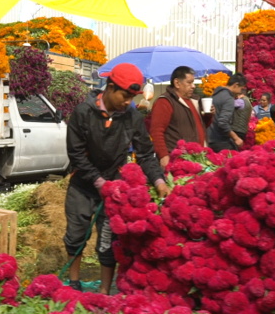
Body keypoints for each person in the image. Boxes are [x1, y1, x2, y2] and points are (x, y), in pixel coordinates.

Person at [66, 63, 170, 294]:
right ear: (110, 88)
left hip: (114, 187)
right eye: (125, 96)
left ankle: (104, 290)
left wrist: (159, 181)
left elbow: (145, 153)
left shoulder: (131, 116)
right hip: (82, 184)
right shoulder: (83, 113)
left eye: (132, 97)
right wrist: (98, 182)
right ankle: (73, 282)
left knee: (107, 238)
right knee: (76, 235)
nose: (128, 102)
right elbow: (75, 155)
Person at [150, 66, 208, 168]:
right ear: (177, 83)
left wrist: (209, 115)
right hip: (177, 160)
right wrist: (163, 156)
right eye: (189, 83)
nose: (193, 86)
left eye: (193, 82)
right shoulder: (165, 102)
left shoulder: (194, 100)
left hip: (198, 159)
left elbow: (200, 126)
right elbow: (156, 131)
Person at [207, 73, 247, 152]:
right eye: (241, 88)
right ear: (236, 85)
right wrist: (236, 138)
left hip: (209, 138)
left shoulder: (215, 94)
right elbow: (222, 123)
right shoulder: (228, 99)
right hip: (220, 140)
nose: (241, 91)